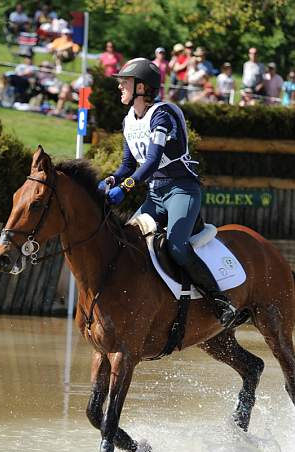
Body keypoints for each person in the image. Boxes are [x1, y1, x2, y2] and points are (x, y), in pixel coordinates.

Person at [98, 58, 238, 328]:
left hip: (181, 189)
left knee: (176, 245)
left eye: (124, 82)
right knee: (128, 241)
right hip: (155, 194)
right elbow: (128, 165)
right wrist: (112, 179)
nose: (120, 87)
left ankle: (220, 302)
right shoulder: (129, 120)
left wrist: (125, 188)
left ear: (142, 87)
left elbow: (151, 161)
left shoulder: (163, 115)